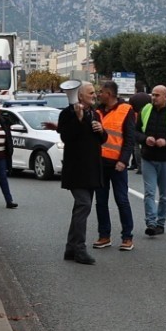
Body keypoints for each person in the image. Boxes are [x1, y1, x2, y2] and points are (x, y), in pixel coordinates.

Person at [56, 82, 106, 263]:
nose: (95, 95)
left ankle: (70, 249)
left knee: (80, 208)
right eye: (91, 93)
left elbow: (100, 140)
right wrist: (77, 119)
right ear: (81, 96)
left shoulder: (94, 113)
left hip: (91, 170)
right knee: (83, 205)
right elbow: (66, 136)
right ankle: (79, 249)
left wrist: (102, 131)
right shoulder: (67, 113)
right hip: (76, 170)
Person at [133, 85, 166, 236]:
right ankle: (151, 222)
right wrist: (145, 139)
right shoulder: (145, 110)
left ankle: (160, 223)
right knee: (149, 192)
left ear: (165, 97)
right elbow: (135, 132)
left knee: (164, 195)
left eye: (157, 95)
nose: (154, 98)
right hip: (148, 157)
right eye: (153, 95)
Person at [92, 82, 136, 251]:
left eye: (101, 92)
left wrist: (123, 161)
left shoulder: (126, 110)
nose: (98, 94)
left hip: (117, 165)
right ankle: (104, 236)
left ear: (109, 94)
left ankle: (127, 237)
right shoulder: (97, 111)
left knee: (122, 200)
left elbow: (129, 138)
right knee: (101, 202)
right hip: (100, 164)